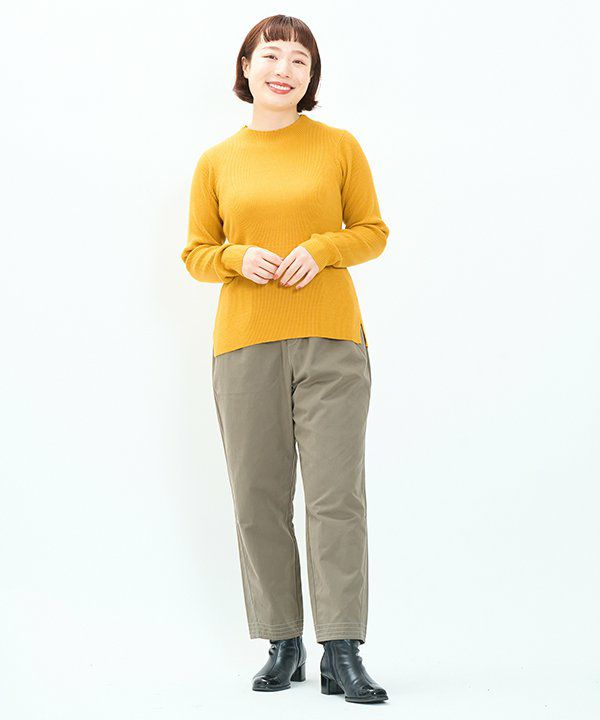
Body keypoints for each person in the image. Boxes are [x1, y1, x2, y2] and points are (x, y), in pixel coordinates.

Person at [181, 14, 390, 704]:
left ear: (311, 77)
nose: (285, 69)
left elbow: (372, 232)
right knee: (258, 497)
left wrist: (323, 248)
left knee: (336, 497)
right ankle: (281, 642)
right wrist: (237, 257)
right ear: (245, 67)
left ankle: (342, 649)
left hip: (331, 338)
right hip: (244, 345)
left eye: (301, 60)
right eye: (271, 55)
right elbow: (196, 253)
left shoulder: (338, 147)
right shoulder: (217, 161)